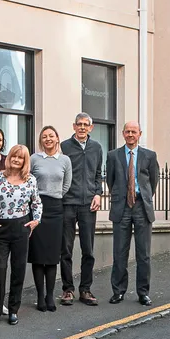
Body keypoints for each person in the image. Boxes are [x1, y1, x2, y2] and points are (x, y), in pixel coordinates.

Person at [107, 121, 160, 306]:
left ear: (140, 134)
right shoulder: (113, 156)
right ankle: (119, 291)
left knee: (143, 253)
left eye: (134, 131)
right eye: (127, 131)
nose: (130, 134)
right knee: (119, 253)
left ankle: (143, 293)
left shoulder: (149, 156)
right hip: (121, 208)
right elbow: (110, 181)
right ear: (123, 134)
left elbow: (153, 181)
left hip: (141, 207)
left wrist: (140, 196)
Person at [0, 145, 41, 326]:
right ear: (9, 157)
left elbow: (36, 203)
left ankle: (13, 310)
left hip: (21, 227)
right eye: (14, 157)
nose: (16, 160)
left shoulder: (30, 180)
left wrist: (36, 220)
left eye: (20, 158)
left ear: (25, 161)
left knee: (18, 270)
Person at [60, 113, 104, 306]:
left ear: (91, 128)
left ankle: (85, 289)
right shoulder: (64, 147)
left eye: (86, 125)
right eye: (79, 124)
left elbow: (97, 174)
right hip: (68, 203)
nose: (83, 128)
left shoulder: (96, 148)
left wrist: (98, 193)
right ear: (74, 126)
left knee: (88, 250)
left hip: (88, 205)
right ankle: (67, 290)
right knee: (66, 249)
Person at [30, 126, 73, 312]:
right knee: (38, 255)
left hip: (56, 208)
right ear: (41, 140)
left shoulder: (65, 160)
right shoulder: (34, 158)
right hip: (37, 207)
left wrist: (54, 195)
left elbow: (66, 185)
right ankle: (40, 296)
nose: (48, 139)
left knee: (52, 255)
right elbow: (28, 180)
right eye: (44, 136)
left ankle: (50, 296)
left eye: (51, 136)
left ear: (57, 139)